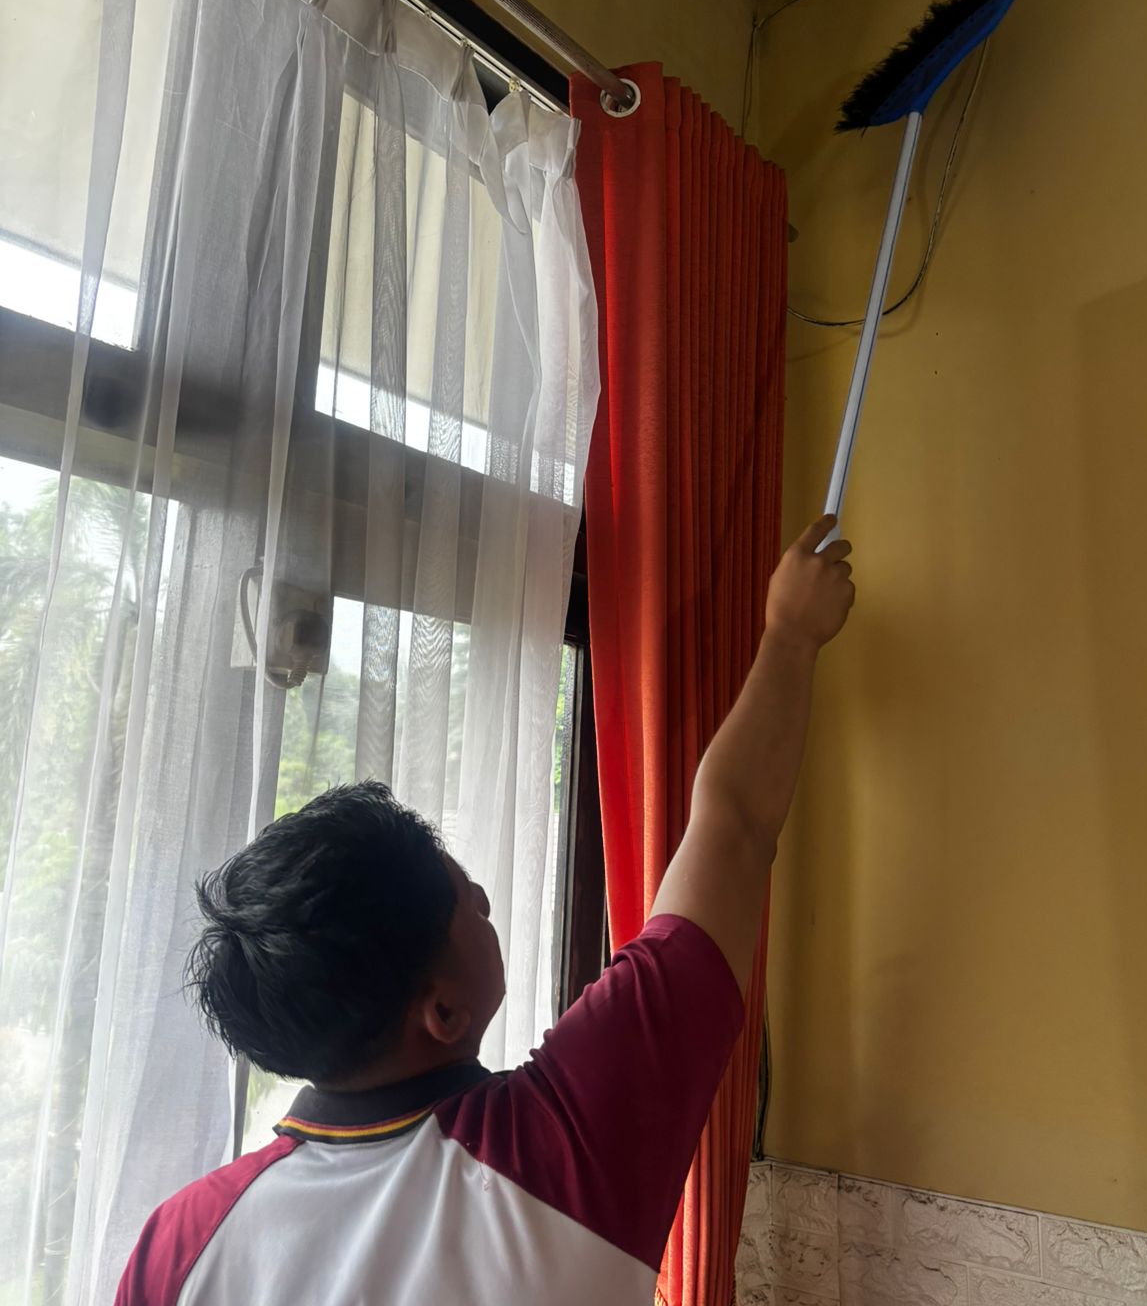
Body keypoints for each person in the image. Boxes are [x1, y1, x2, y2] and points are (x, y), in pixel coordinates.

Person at [115, 515, 854, 1305]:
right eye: (468, 905)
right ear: (441, 1012)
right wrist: (790, 635)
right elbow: (733, 829)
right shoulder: (557, 1154)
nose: (486, 899)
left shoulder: (180, 1242)